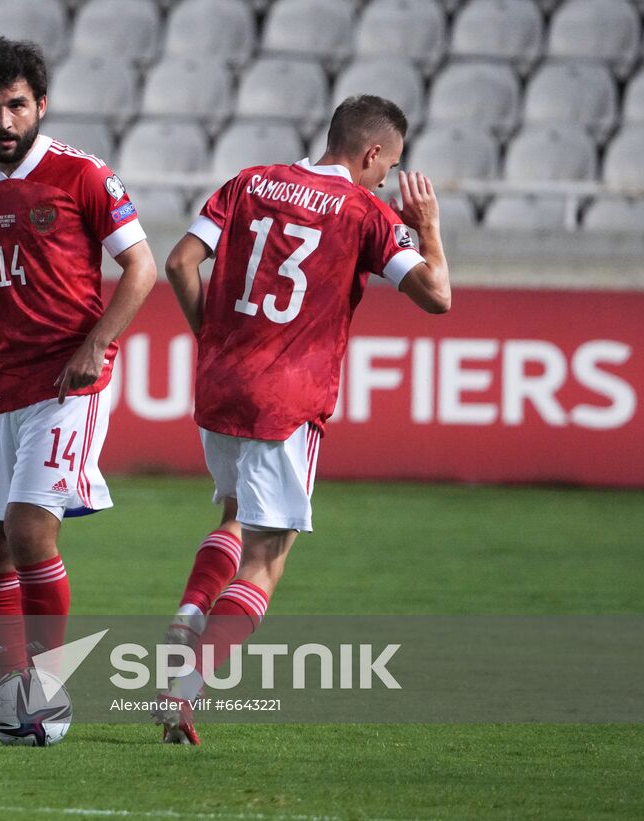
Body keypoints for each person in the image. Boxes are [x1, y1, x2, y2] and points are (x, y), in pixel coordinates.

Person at [157, 96, 451, 744]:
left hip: (220, 385)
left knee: (234, 511)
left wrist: (213, 340)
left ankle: (188, 610)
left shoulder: (248, 181)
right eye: (389, 166)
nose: (386, 179)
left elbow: (179, 262)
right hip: (285, 398)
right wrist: (426, 226)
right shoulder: (364, 211)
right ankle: (188, 683)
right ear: (372, 153)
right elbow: (437, 296)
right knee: (268, 557)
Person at [0, 37, 158, 687]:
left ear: (41, 104)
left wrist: (97, 346)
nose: (3, 122)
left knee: (30, 531)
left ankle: (46, 688)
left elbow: (141, 268)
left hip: (64, 383)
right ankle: (10, 692)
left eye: (16, 106)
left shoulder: (84, 175)